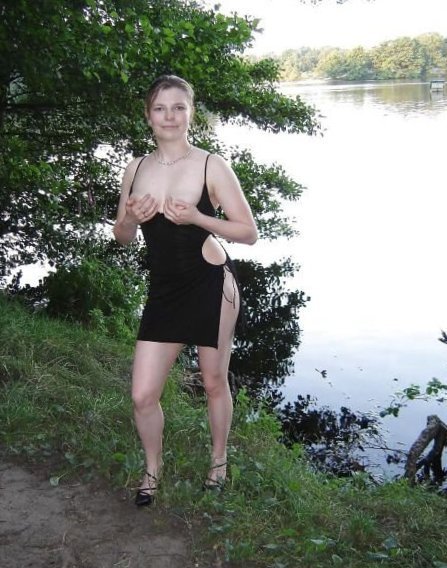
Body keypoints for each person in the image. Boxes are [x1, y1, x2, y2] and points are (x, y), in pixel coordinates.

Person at [113, 74, 258, 506]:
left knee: (213, 380)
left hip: (210, 283)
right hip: (165, 290)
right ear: (148, 116)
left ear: (191, 113)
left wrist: (198, 218)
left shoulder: (212, 165)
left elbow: (248, 232)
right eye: (160, 108)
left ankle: (219, 460)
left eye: (179, 107)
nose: (170, 116)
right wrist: (131, 219)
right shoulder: (136, 168)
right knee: (142, 395)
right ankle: (152, 469)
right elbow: (122, 237)